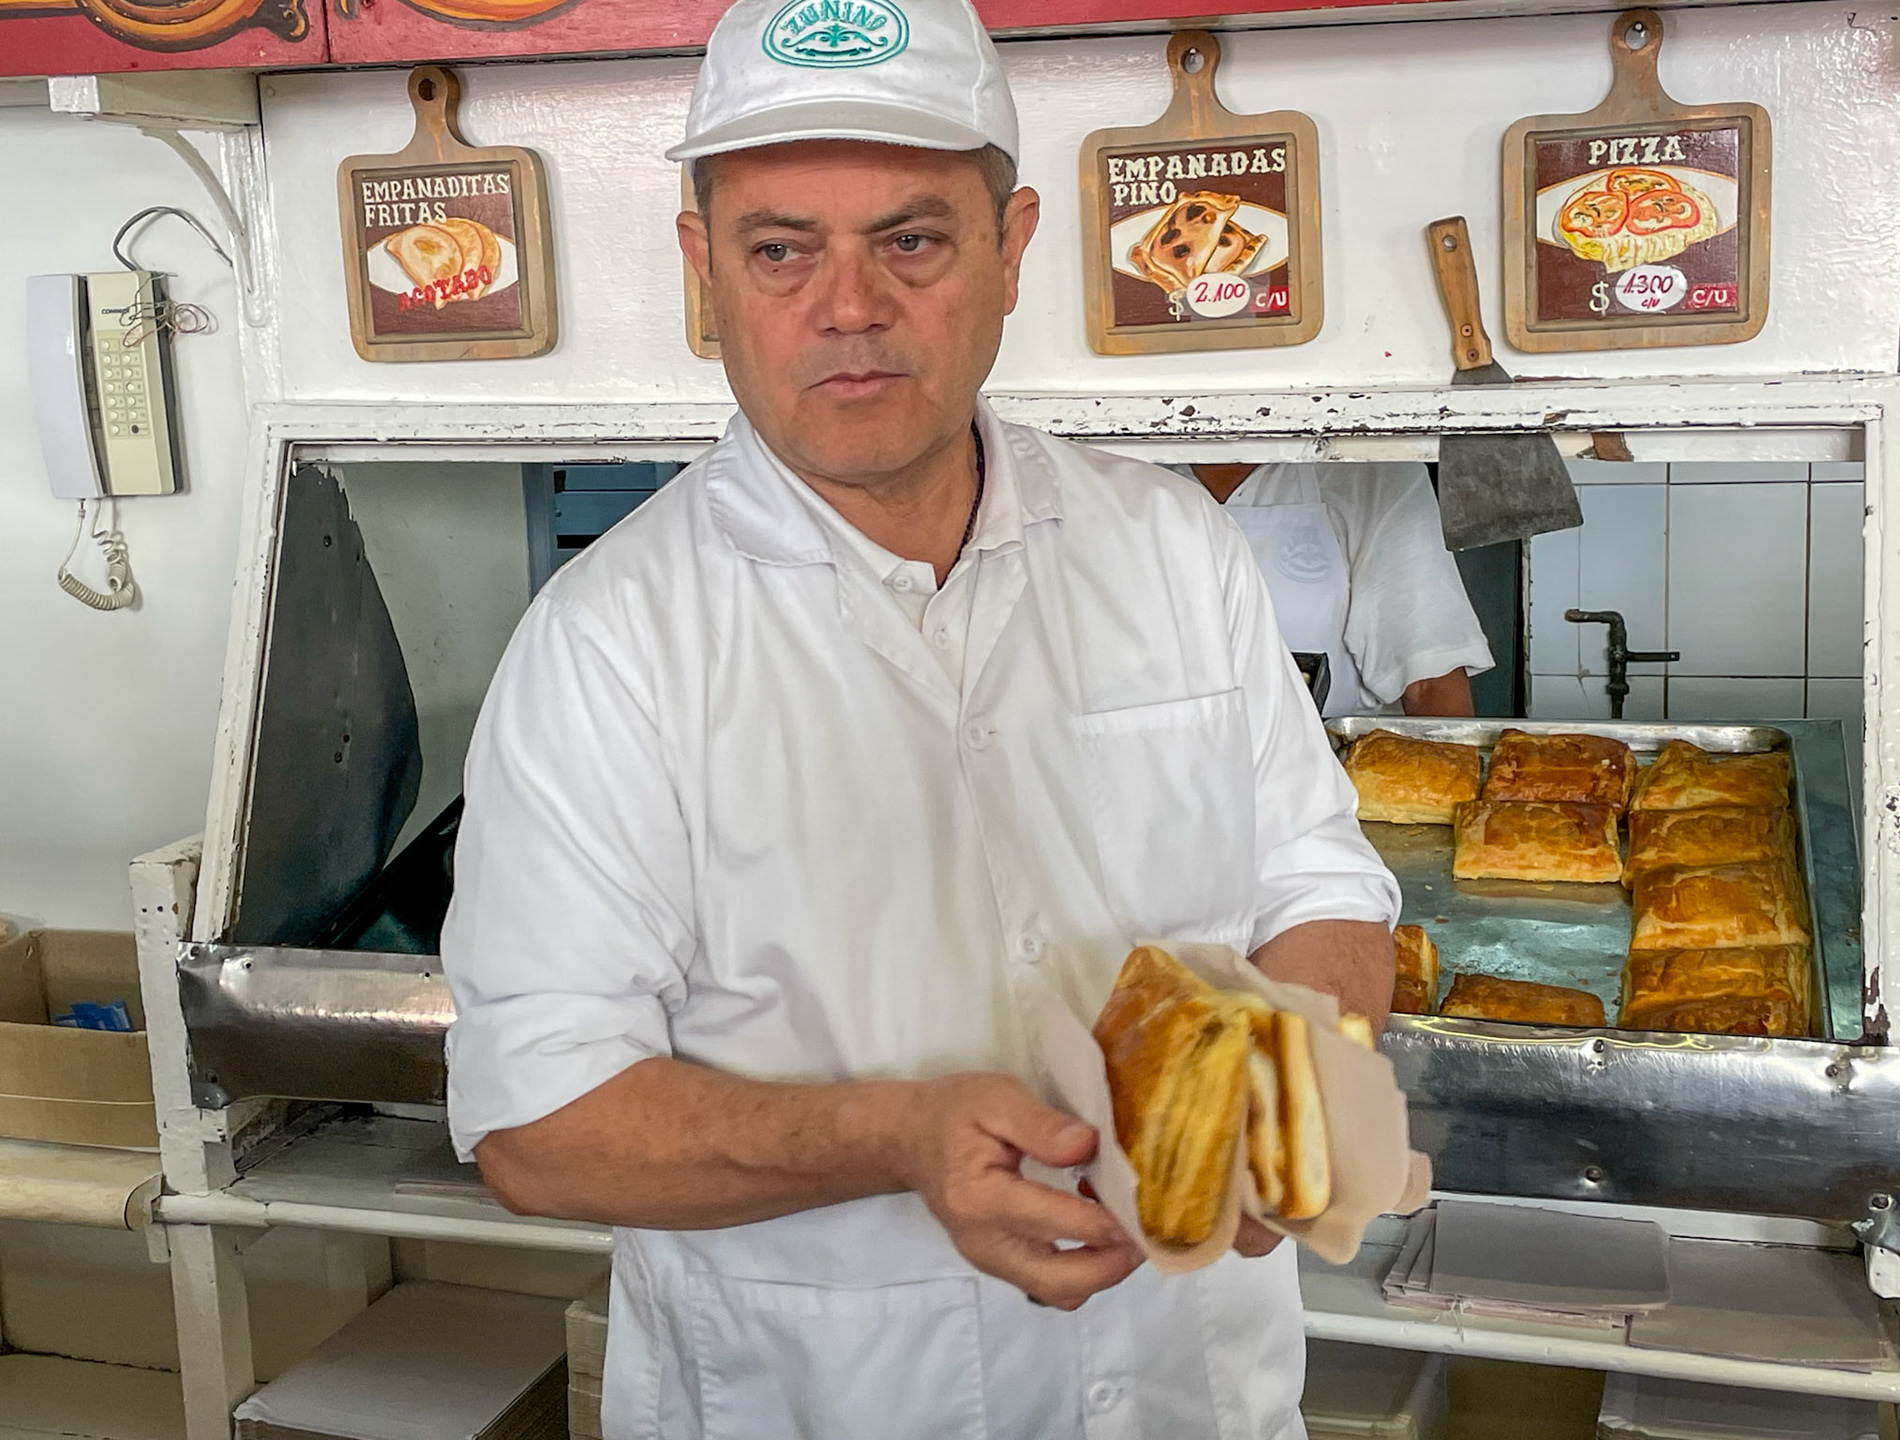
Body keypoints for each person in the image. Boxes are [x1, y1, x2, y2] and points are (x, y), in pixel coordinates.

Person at [441, 2, 1399, 1436]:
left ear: (1011, 250)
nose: (849, 307)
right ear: (704, 269)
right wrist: (896, 1139)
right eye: (780, 249)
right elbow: (535, 1127)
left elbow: (1320, 883)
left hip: (1193, 1392)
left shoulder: (1170, 550)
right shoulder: (611, 647)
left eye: (912, 241)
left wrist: (1286, 1089)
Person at [1187, 461, 1494, 717]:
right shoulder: (1143, 467)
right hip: (1162, 775)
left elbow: (1430, 680)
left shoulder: (1368, 467)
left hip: (1331, 774)